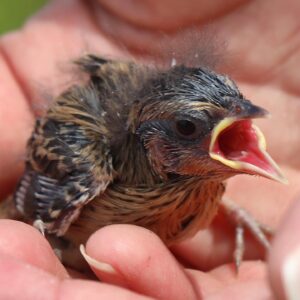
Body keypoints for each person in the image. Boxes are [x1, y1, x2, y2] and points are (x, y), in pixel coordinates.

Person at [0, 0, 299, 298]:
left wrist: (234, 212)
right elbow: (27, 207)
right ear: (151, 144)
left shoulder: (201, 178)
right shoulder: (86, 164)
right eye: (187, 127)